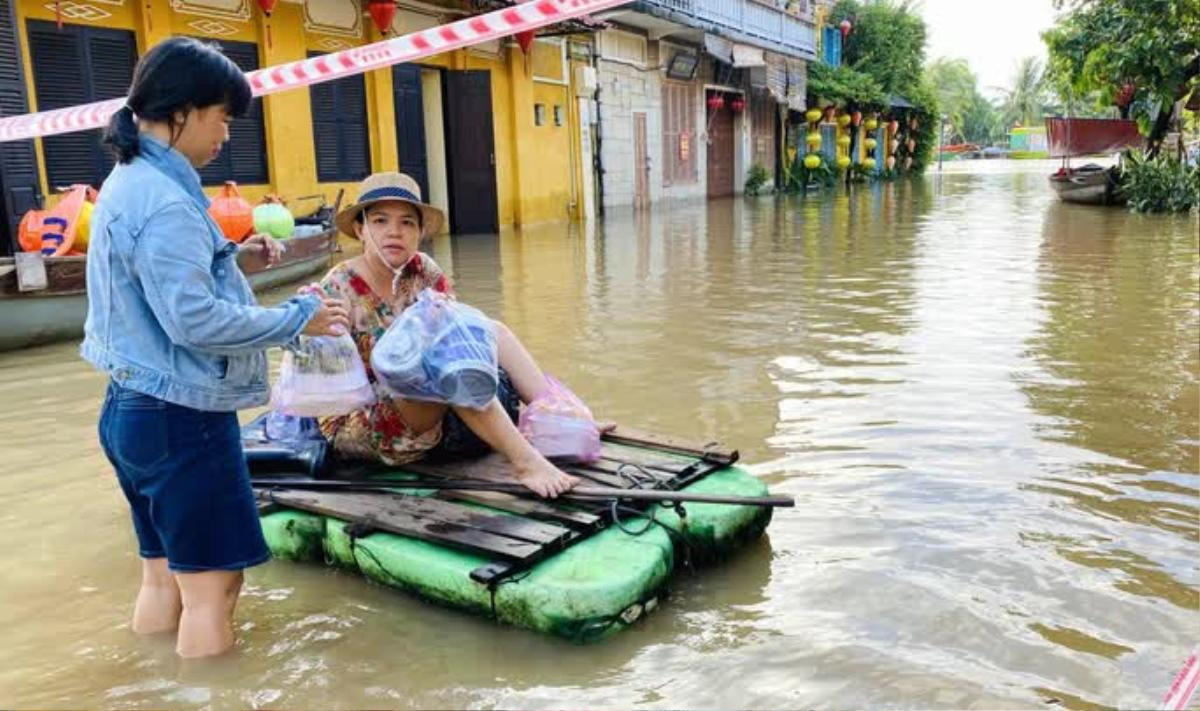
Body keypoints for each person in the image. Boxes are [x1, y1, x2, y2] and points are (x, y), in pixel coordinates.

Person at [81, 37, 350, 658]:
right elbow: (193, 321)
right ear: (183, 111)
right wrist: (295, 319)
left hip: (130, 409)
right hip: (182, 420)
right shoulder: (167, 201)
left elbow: (160, 290)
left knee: (164, 575)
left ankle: (153, 682)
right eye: (222, 118)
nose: (226, 134)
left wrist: (238, 256)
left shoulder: (127, 180)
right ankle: (212, 692)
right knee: (214, 588)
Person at [314, 172, 589, 498]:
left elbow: (460, 336)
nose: (394, 232)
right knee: (448, 371)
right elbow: (328, 383)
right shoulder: (336, 288)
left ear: (419, 233)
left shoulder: (423, 271)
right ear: (361, 230)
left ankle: (558, 418)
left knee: (490, 332)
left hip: (421, 394)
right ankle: (527, 463)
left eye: (407, 223)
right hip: (361, 415)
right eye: (380, 221)